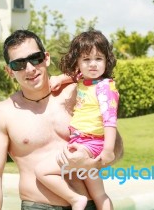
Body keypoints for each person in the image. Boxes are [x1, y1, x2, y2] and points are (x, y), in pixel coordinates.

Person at [0, 29, 123, 210]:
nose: (30, 69)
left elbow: (115, 146)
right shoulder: (2, 113)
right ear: (9, 70)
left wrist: (92, 162)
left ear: (46, 58)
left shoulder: (77, 92)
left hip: (88, 205)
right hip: (38, 206)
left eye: (35, 58)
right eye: (19, 64)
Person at [35, 30, 119, 210]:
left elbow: (110, 120)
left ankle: (75, 199)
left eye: (99, 59)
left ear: (107, 60)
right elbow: (74, 75)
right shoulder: (86, 79)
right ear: (78, 62)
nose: (93, 65)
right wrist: (59, 79)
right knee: (99, 194)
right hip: (83, 142)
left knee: (41, 171)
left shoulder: (105, 88)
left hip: (90, 144)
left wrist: (109, 150)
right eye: (86, 60)